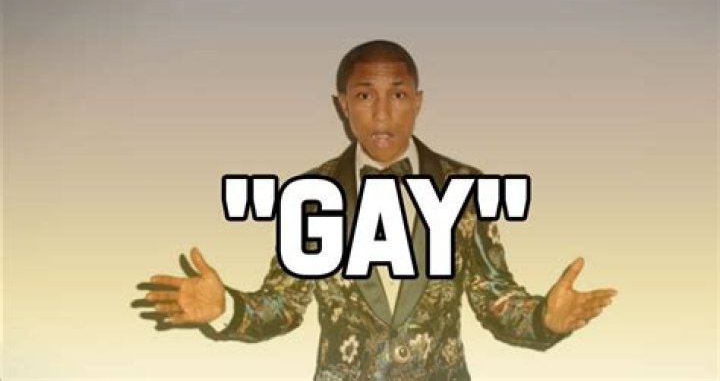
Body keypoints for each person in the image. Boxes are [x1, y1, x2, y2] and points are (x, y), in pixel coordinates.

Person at [139, 40, 617, 380]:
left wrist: (544, 319)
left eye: (398, 94)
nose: (383, 113)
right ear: (343, 105)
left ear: (418, 102)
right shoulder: (311, 196)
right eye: (365, 95)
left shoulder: (465, 188)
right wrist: (226, 309)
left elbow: (493, 297)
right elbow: (284, 305)